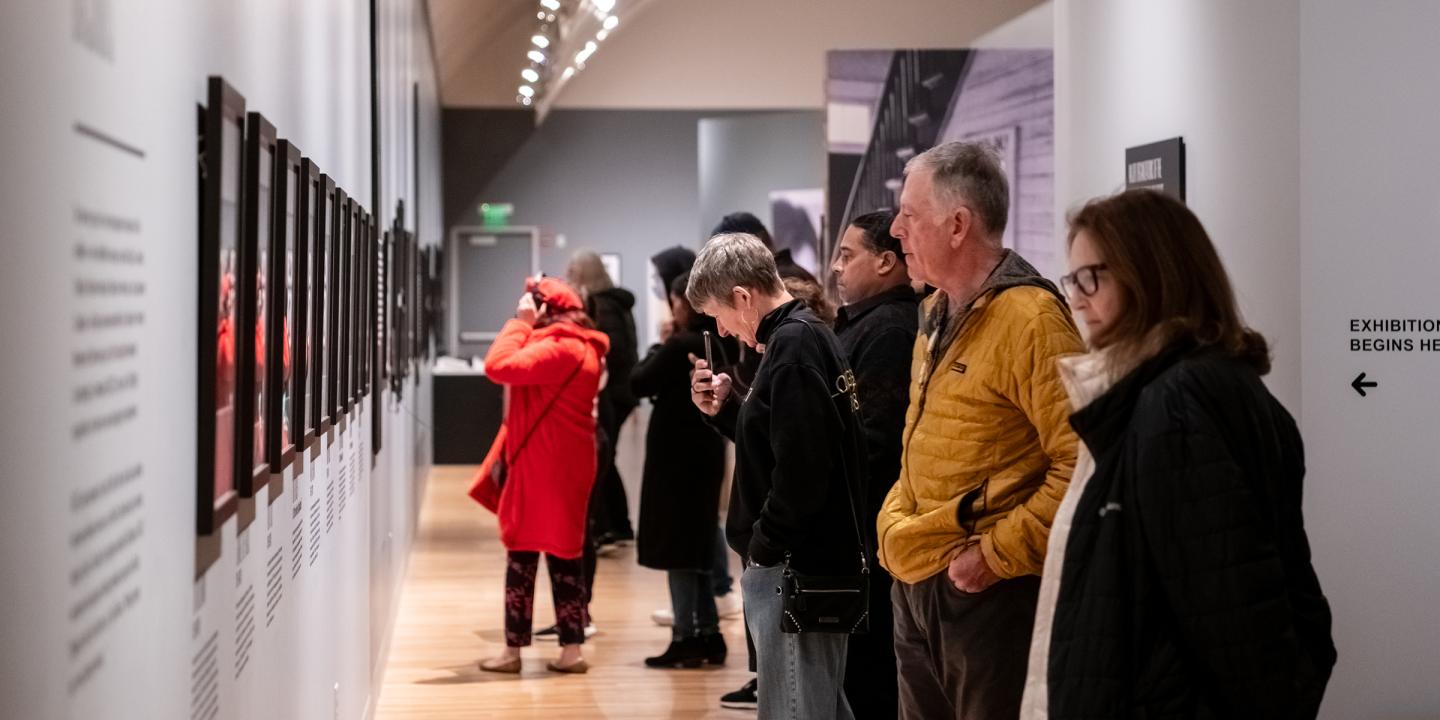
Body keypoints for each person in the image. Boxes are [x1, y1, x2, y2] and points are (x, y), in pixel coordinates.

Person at [1020, 190, 1337, 718]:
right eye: (1071, 280)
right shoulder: (1178, 388)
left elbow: (1234, 612)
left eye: (1090, 278)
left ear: (1149, 272)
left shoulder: (1175, 403)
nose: (1075, 298)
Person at [878, 141, 1084, 719]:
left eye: (909, 215)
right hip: (920, 581)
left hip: (986, 592)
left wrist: (991, 558)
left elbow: (1081, 463)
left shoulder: (1033, 320)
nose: (896, 230)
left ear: (958, 225)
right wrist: (898, 517)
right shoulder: (934, 312)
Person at [688, 233, 867, 720]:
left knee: (797, 708)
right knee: (816, 703)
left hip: (794, 568)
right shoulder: (803, 336)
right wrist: (728, 411)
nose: (722, 332)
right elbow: (780, 442)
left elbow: (803, 468)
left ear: (743, 298)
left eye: (719, 317)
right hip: (803, 563)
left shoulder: (793, 345)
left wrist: (765, 548)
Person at [477, 276, 610, 675]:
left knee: (521, 553)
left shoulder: (561, 348)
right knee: (566, 553)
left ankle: (512, 651)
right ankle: (571, 649)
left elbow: (497, 365)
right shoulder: (582, 347)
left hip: (542, 466)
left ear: (545, 309)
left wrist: (519, 323)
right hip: (566, 464)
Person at [829, 210, 919, 719]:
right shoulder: (869, 324)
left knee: (869, 684)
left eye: (847, 255)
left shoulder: (887, 329)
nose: (837, 267)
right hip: (864, 532)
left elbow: (874, 442)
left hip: (870, 535)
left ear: (886, 262)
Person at [631, 270, 737, 669]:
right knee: (696, 544)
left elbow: (637, 382)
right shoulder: (714, 345)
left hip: (676, 460)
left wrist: (660, 344)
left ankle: (686, 635)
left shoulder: (680, 346)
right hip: (704, 454)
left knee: (680, 547)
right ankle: (707, 633)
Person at [567, 250, 639, 549]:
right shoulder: (616, 303)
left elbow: (614, 349)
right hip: (623, 391)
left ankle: (611, 527)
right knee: (606, 458)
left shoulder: (606, 306)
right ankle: (617, 526)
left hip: (615, 392)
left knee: (603, 458)